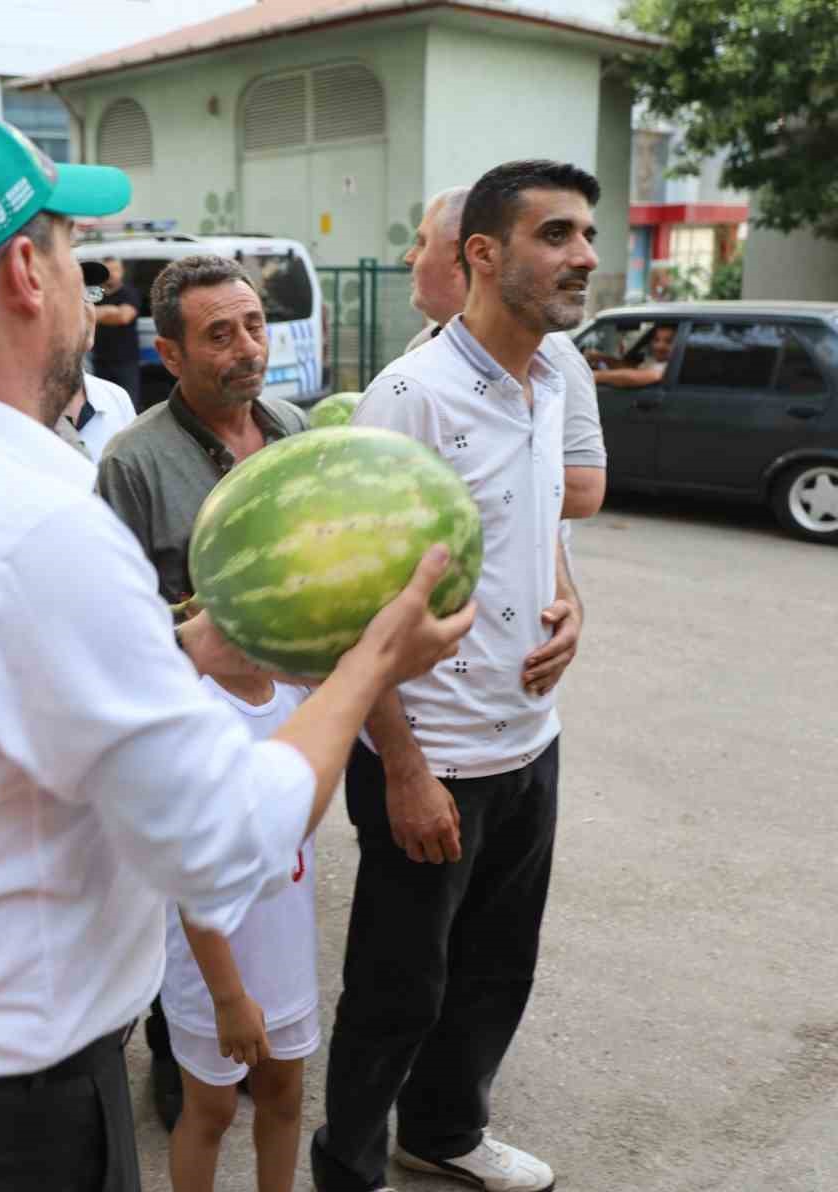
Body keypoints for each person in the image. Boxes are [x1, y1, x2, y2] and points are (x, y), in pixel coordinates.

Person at [0, 99, 473, 1192]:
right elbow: (219, 842)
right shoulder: (41, 524)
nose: (88, 284)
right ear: (26, 271)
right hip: (10, 1100)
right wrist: (367, 667)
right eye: (73, 248)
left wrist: (193, 643)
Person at [310, 160, 595, 1192]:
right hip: (434, 754)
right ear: (482, 252)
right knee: (395, 987)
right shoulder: (409, 396)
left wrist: (568, 598)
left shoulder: (554, 373)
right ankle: (347, 1168)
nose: (584, 256)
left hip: (530, 737)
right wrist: (403, 768)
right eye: (555, 234)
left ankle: (442, 1128)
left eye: (584, 234)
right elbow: (354, 599)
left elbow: (543, 521)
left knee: (494, 970)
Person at [95, 253, 309, 1132]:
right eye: (219, 334)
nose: (245, 348)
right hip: (183, 726)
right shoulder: (133, 463)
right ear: (170, 353)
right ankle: (181, 1052)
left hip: (282, 714)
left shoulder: (294, 428)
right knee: (184, 900)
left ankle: (260, 1028)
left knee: (270, 890)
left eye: (253, 325)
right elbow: (110, 627)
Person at [168, 670, 320, 1192]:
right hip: (213, 966)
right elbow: (190, 881)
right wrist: (228, 996)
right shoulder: (195, 715)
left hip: (286, 954)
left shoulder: (299, 694)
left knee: (284, 1096)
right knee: (210, 1110)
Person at [402, 184, 606, 519]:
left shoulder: (547, 355)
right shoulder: (421, 350)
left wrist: (437, 487)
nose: (409, 256)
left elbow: (584, 491)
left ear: (460, 256)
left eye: (422, 243)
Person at [58, 262, 136, 465]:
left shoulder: (115, 398)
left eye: (88, 295)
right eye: (69, 297)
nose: (84, 309)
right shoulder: (9, 409)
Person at [92, 255, 145, 410]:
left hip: (125, 362)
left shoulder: (129, 292)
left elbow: (123, 317)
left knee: (128, 405)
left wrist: (96, 314)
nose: (113, 273)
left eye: (116, 269)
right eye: (109, 270)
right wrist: (110, 312)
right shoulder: (95, 294)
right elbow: (82, 314)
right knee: (104, 406)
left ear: (122, 271)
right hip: (100, 361)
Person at [588, 322, 675, 387]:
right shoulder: (655, 360)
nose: (660, 346)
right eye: (656, 340)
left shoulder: (671, 365)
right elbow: (631, 369)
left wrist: (594, 375)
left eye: (669, 341)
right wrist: (602, 358)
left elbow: (634, 377)